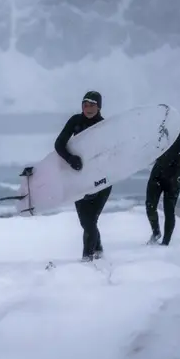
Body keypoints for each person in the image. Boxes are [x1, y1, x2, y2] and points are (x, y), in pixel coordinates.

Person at [54, 90, 112, 261]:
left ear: (99, 106)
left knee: (89, 221)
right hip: (79, 179)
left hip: (102, 181)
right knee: (86, 222)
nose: (88, 108)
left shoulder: (105, 126)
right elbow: (59, 144)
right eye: (85, 105)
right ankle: (98, 249)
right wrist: (70, 159)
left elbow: (113, 154)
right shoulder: (75, 121)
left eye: (92, 105)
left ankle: (87, 258)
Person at [146, 130, 180, 246]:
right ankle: (156, 232)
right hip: (157, 175)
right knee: (150, 206)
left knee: (169, 211)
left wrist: (176, 178)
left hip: (173, 179)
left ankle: (165, 242)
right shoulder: (158, 133)